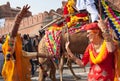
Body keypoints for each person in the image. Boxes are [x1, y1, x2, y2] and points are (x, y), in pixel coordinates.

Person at [65, 15, 119, 81]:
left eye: (89, 33)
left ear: (96, 33)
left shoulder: (107, 44)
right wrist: (70, 52)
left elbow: (111, 49)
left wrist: (104, 29)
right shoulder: (90, 47)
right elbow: (82, 64)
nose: (87, 36)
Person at [2, 5, 32, 81]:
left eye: (13, 43)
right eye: (10, 43)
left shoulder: (22, 54)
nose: (11, 44)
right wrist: (20, 15)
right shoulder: (8, 63)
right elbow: (13, 33)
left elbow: (13, 35)